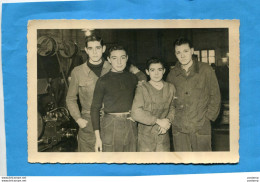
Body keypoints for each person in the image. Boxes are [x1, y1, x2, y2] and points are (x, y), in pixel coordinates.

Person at [166, 37, 221, 151]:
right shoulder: (171, 75)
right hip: (179, 127)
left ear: (192, 51)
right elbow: (168, 100)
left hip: (201, 124)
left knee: (203, 162)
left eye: (185, 51)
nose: (182, 55)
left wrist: (208, 118)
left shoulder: (206, 70)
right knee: (183, 163)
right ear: (175, 54)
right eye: (178, 52)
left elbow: (215, 96)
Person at [66, 34, 111, 152]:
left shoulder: (112, 68)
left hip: (110, 122)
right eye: (90, 48)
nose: (94, 52)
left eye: (98, 48)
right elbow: (70, 99)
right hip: (88, 123)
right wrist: (78, 119)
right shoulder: (78, 72)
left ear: (104, 49)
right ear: (86, 50)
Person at [91, 45, 138, 152]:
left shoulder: (132, 78)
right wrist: (98, 138)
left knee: (131, 162)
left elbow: (140, 101)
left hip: (130, 124)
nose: (119, 62)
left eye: (122, 57)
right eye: (114, 58)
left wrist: (136, 116)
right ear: (109, 59)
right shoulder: (103, 81)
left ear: (127, 58)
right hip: (110, 125)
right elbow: (94, 108)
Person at [131, 58, 175, 152]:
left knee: (163, 165)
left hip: (163, 136)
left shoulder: (170, 88)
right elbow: (136, 112)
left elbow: (173, 107)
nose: (156, 73)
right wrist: (158, 121)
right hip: (145, 139)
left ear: (164, 71)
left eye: (159, 70)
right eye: (152, 70)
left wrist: (167, 122)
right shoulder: (142, 88)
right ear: (147, 72)